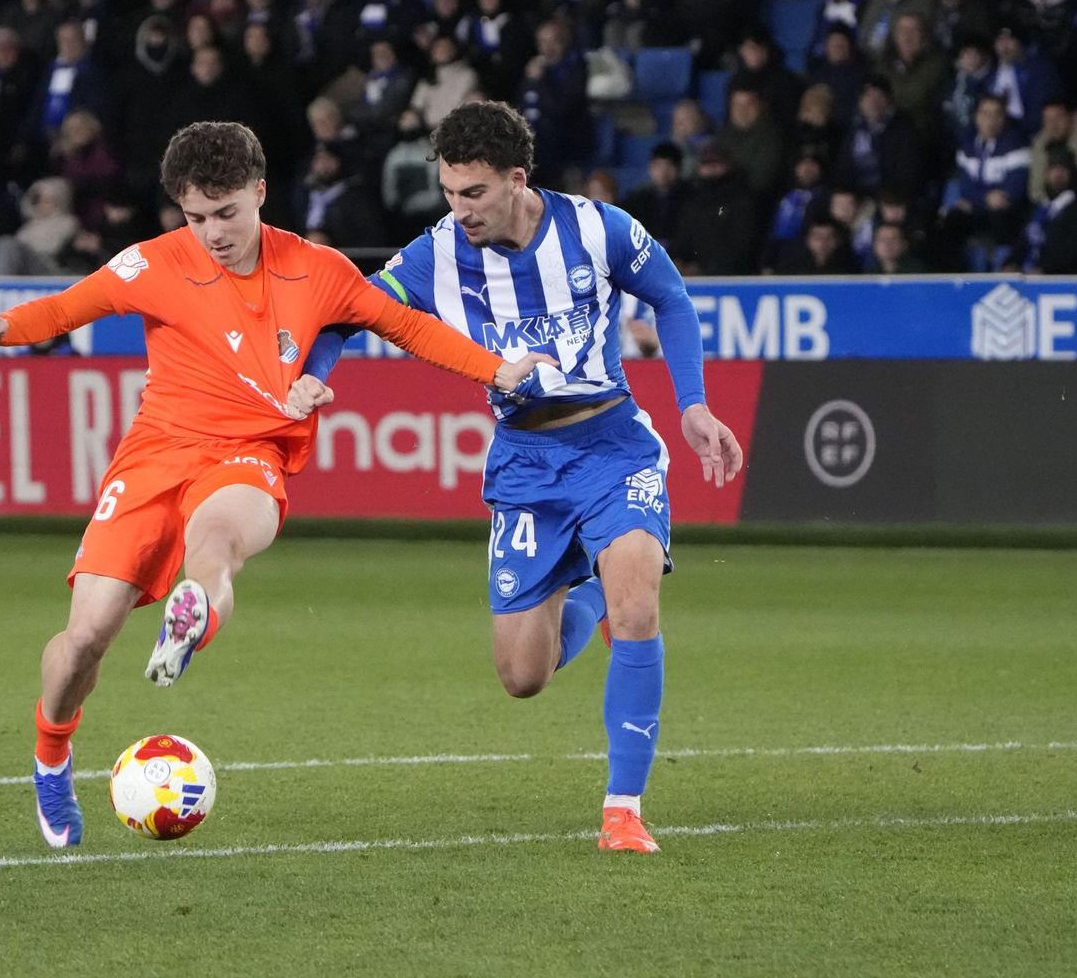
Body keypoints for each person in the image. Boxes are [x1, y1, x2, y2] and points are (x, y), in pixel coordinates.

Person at [0, 120, 552, 849]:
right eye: (196, 216)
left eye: (227, 212)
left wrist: (497, 369)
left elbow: (408, 326)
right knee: (85, 639)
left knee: (218, 541)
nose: (211, 232)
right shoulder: (153, 264)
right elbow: (63, 309)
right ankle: (52, 754)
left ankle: (193, 614)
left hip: (248, 452)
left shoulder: (318, 270)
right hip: (153, 456)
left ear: (260, 193)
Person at [287, 102, 742, 855]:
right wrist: (313, 377)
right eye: (448, 193)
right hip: (525, 464)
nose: (457, 209)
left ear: (515, 180)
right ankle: (588, 584)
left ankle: (622, 811)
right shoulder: (437, 253)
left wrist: (692, 405)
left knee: (636, 610)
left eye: (473, 194)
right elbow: (348, 313)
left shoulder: (598, 229)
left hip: (613, 445)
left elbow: (671, 296)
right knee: (522, 675)